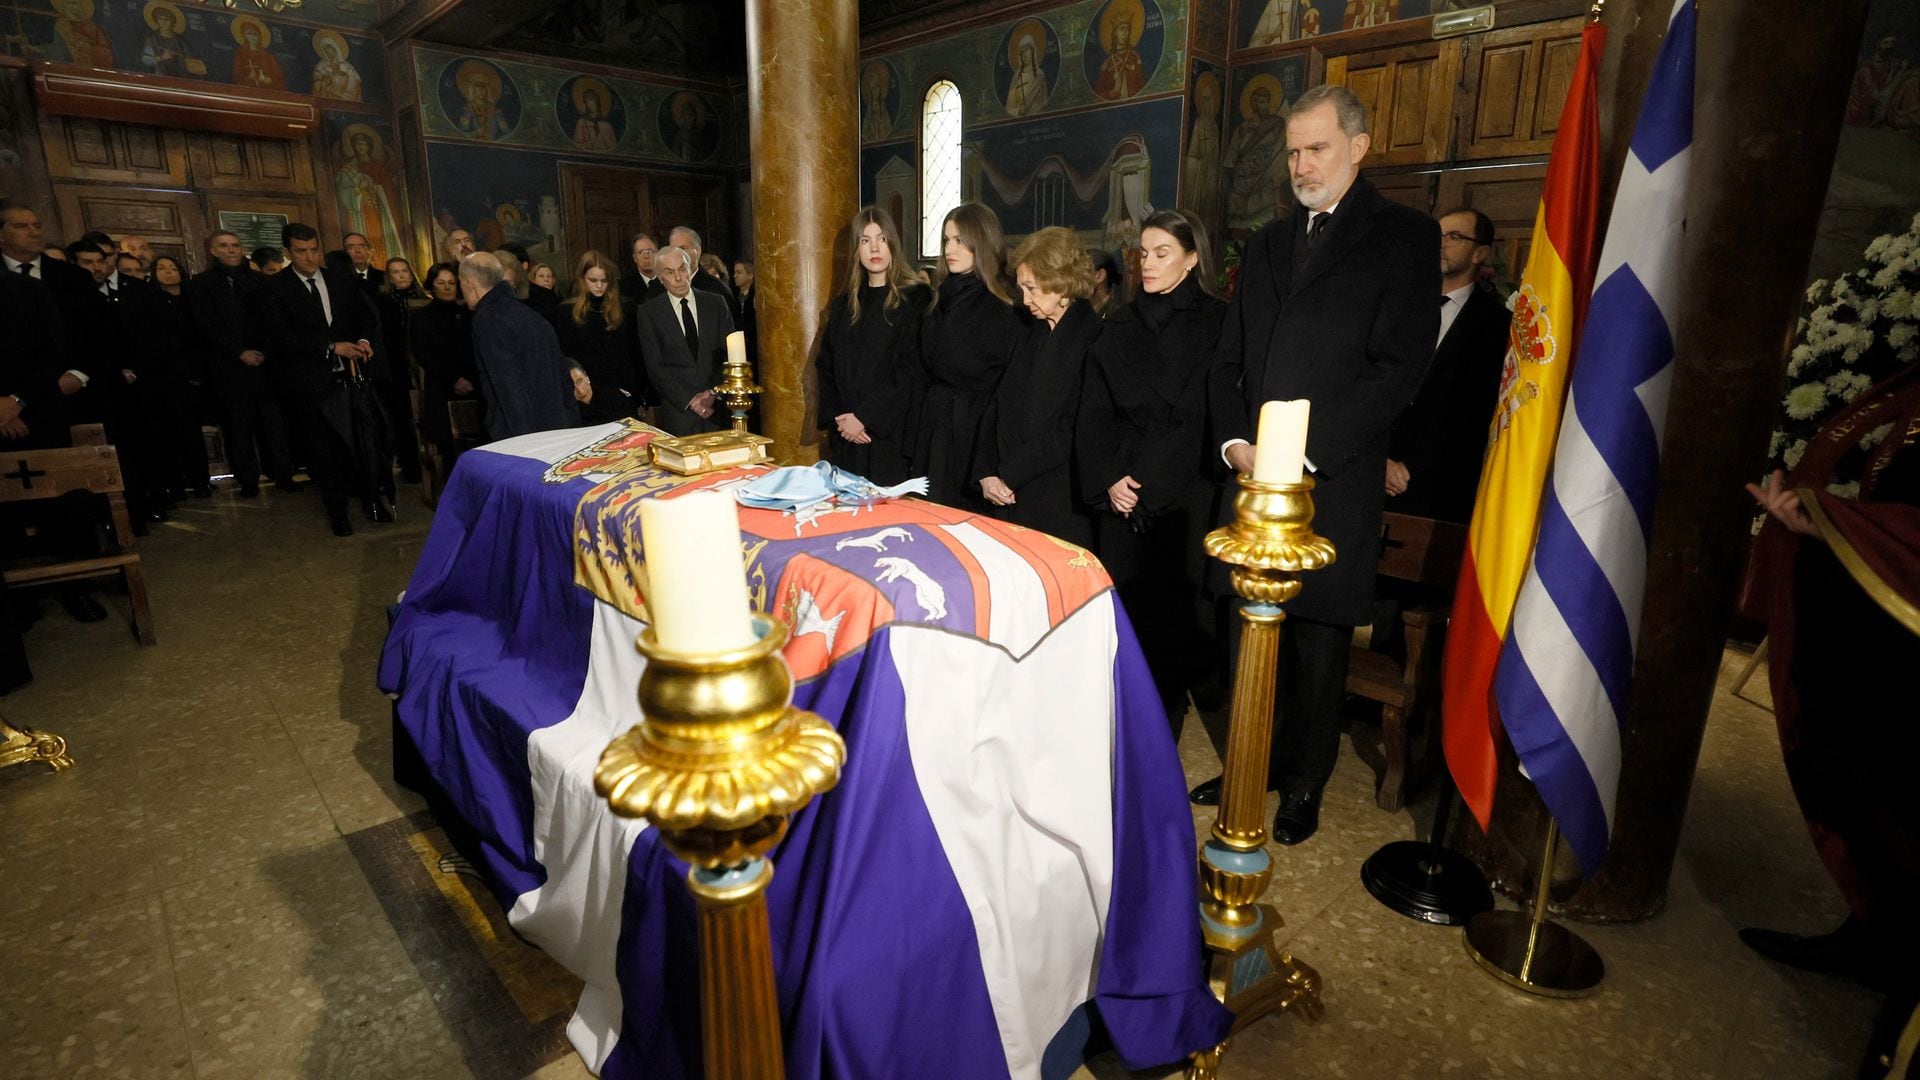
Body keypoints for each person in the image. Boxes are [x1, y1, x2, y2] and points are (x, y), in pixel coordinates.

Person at [1196, 84, 1439, 845]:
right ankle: (1254, 764)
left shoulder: (1403, 236)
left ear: (1358, 147)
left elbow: (1400, 365)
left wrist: (1308, 448)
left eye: (1316, 148)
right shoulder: (1268, 241)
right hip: (1254, 478)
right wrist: (1237, 441)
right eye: (1293, 151)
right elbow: (1228, 357)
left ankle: (1305, 781)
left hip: (1331, 476)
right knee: (1249, 630)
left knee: (1317, 638)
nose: (1300, 164)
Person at [1740, 365, 1920, 1076]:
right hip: (1889, 620)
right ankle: (1876, 934)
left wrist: (1841, 523)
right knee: (1860, 774)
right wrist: (1825, 530)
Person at [1079, 210, 1229, 728]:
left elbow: (1199, 417)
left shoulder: (1218, 322)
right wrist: (1110, 480)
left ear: (1192, 258)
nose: (1148, 263)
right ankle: (1123, 715)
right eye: (1143, 252)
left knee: (1174, 615)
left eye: (1163, 253)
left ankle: (1164, 721)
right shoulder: (1118, 322)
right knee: (1123, 610)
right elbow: (1092, 411)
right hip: (1120, 490)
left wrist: (1147, 487)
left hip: (1180, 493)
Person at [974, 226, 1100, 545]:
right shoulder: (1029, 329)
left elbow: (1069, 428)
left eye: (1031, 288)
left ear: (1061, 282)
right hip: (1005, 491)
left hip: (1056, 497)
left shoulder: (1095, 338)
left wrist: (1008, 473)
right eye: (1022, 289)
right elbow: (997, 403)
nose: (1025, 299)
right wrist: (986, 470)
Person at [261, 222, 387, 536]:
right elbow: (278, 337)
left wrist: (364, 341)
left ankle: (374, 501)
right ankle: (338, 512)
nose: (309, 257)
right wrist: (330, 347)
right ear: (288, 253)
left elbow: (364, 317)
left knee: (363, 442)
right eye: (301, 251)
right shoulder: (275, 288)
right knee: (323, 451)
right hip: (308, 384)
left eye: (314, 249)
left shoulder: (340, 279)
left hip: (351, 378)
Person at [1383, 207, 1507, 525]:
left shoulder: (1497, 325)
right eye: (1436, 235)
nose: (1440, 244)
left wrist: (1411, 467)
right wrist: (1377, 460)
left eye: (1453, 237)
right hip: (1369, 478)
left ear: (1480, 252)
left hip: (1439, 493)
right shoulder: (1396, 308)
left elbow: (1476, 415)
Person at [912, 203, 1024, 508]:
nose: (951, 248)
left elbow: (1008, 388)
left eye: (960, 240)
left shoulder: (1004, 304)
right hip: (936, 425)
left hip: (975, 432)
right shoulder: (941, 296)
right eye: (947, 240)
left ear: (982, 241)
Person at [817, 207, 932, 486]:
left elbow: (911, 370)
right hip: (847, 436)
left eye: (881, 239)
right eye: (865, 241)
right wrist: (842, 421)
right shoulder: (844, 304)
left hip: (891, 436)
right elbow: (826, 366)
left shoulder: (916, 298)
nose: (875, 248)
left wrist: (865, 417)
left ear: (893, 243)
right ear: (856, 249)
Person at [191, 230, 289, 496]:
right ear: (213, 251)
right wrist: (238, 352)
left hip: (265, 366)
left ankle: (282, 473)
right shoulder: (202, 284)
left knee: (274, 425)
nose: (231, 250)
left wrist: (263, 351)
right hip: (229, 368)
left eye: (235, 245)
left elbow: (274, 321)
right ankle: (248, 480)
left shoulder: (260, 281)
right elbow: (205, 326)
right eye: (223, 246)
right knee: (239, 427)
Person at [461, 252, 578, 441]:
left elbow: (507, 385)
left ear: (469, 282)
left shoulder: (488, 318)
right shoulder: (534, 317)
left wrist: (524, 441)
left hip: (520, 436)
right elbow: (563, 377)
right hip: (557, 428)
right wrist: (570, 425)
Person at [635, 246, 732, 436]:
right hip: (679, 413)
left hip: (718, 410)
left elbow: (729, 353)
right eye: (670, 272)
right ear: (660, 278)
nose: (679, 278)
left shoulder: (716, 303)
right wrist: (690, 401)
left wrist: (712, 393)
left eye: (682, 269)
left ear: (690, 269)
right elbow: (655, 366)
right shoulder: (649, 312)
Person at [552, 251, 642, 426]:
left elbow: (634, 353)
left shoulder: (626, 308)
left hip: (620, 394)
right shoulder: (565, 312)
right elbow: (566, 358)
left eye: (604, 280)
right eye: (593, 280)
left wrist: (634, 391)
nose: (599, 285)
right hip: (585, 396)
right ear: (582, 279)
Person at [148, 254, 211, 498]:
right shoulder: (152, 302)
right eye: (161, 268)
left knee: (193, 434)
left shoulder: (193, 299)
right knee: (170, 435)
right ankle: (176, 483)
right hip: (167, 378)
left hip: (196, 375)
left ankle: (201, 481)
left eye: (173, 268)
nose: (168, 272)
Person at [411, 262, 477, 469]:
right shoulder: (420, 318)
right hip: (441, 386)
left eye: (451, 282)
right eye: (441, 283)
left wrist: (470, 379)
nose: (447, 287)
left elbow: (475, 350)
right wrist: (453, 380)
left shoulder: (470, 314)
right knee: (448, 448)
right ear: (432, 285)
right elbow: (423, 354)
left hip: (474, 386)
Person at [373, 258, 425, 485]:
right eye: (396, 272)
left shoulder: (424, 299)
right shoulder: (383, 303)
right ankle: (410, 465)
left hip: (421, 364)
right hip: (396, 367)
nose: (401, 275)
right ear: (389, 276)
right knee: (402, 418)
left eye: (405, 270)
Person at [668, 226, 739, 320]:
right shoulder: (660, 287)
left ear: (697, 251)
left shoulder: (717, 290)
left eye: (683, 248)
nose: (677, 254)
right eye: (673, 249)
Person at [621, 232, 663, 305]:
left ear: (658, 254)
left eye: (650, 251)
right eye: (641, 252)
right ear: (634, 258)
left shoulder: (668, 281)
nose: (646, 256)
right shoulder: (624, 286)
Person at [1087, 248, 1125, 318]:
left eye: (1081, 273)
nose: (1075, 279)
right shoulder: (1079, 309)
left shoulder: (1116, 316)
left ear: (1100, 276)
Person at [732, 258, 758, 362]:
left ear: (750, 275)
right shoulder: (734, 296)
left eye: (739, 272)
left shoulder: (756, 296)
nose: (735, 276)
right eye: (734, 272)